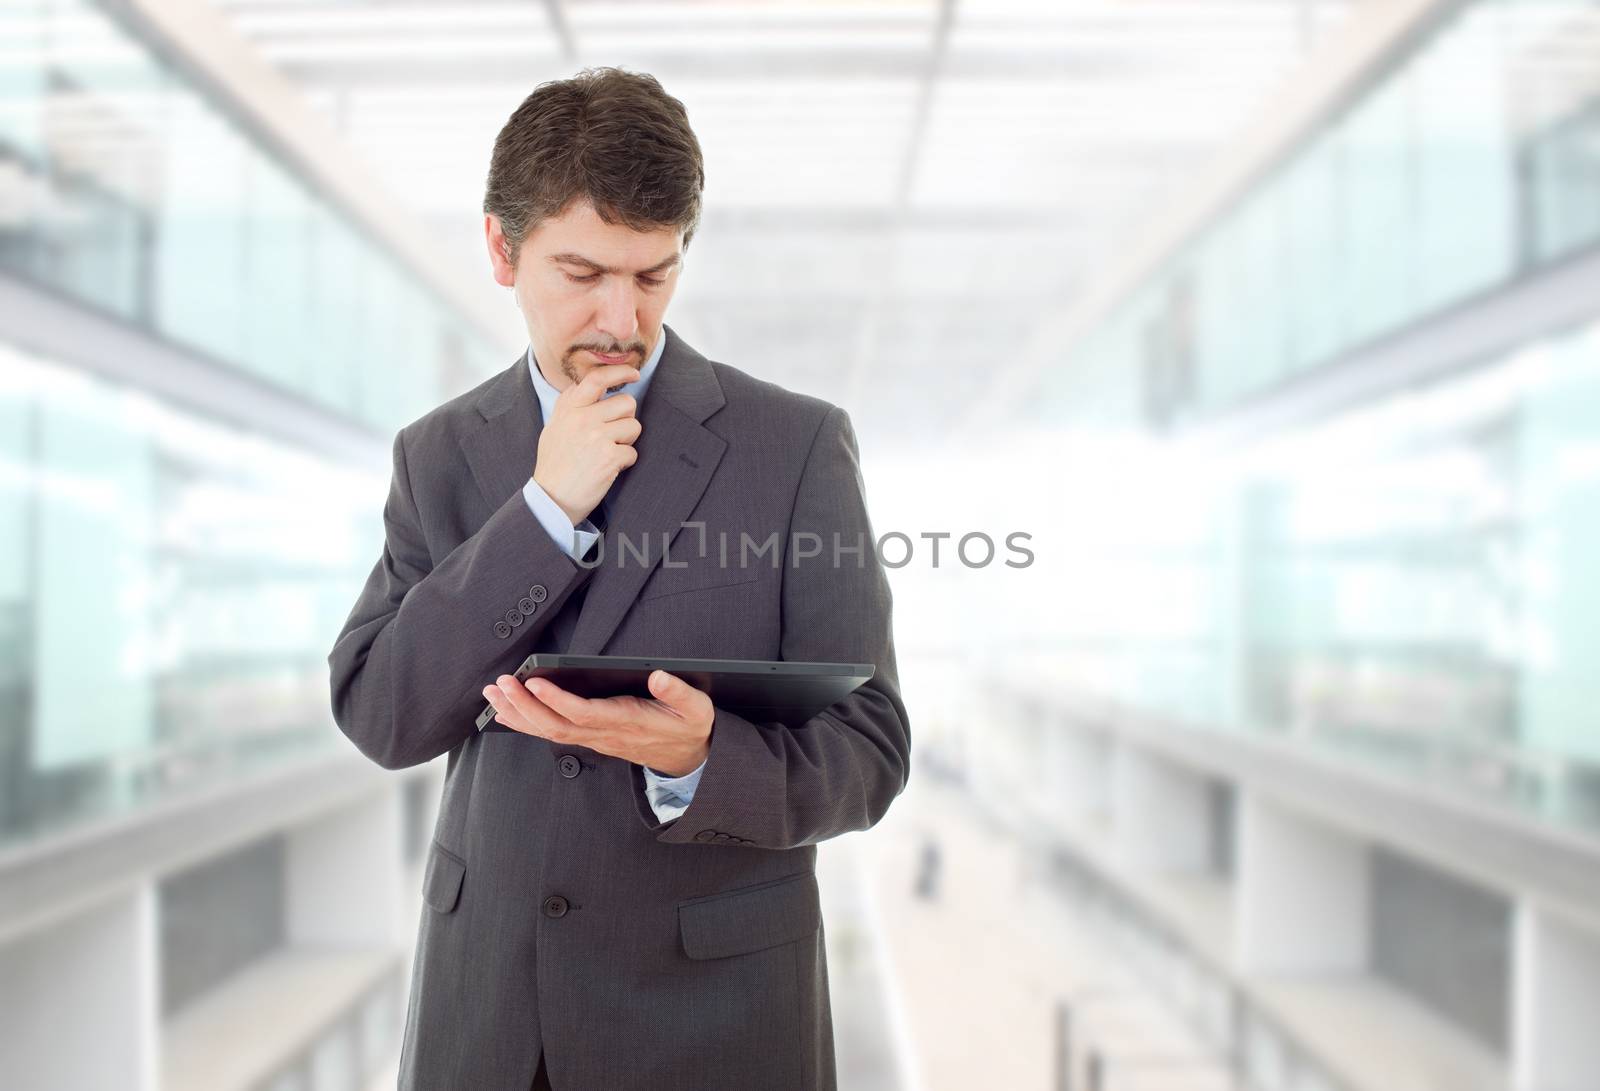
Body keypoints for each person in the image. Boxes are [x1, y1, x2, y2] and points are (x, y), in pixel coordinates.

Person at [327, 67, 910, 1091]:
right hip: (491, 1015)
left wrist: (701, 756)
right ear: (502, 251)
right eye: (583, 271)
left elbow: (871, 746)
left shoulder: (797, 446)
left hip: (716, 1023)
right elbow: (384, 712)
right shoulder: (441, 453)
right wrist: (543, 513)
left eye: (652, 275)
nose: (620, 318)